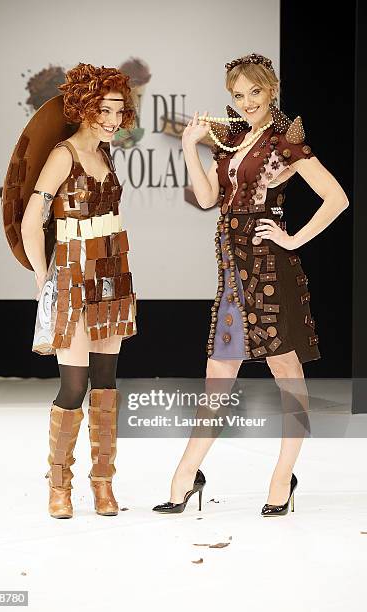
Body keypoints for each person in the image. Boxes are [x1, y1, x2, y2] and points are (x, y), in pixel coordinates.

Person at [152, 52, 348, 517]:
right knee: (219, 372)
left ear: (271, 90)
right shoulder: (232, 139)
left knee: (285, 371)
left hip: (268, 268)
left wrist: (293, 237)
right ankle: (187, 475)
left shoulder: (286, 141)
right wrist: (188, 146)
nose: (246, 103)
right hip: (231, 269)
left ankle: (283, 477)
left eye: (254, 93)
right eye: (238, 96)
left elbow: (336, 197)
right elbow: (206, 199)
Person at [16, 63, 137, 518]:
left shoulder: (107, 154)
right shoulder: (63, 154)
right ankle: (59, 483)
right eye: (103, 110)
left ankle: (102, 483)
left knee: (106, 384)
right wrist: (41, 275)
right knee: (75, 384)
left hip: (112, 271)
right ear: (85, 107)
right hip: (73, 270)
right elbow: (33, 219)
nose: (111, 119)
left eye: (118, 111)